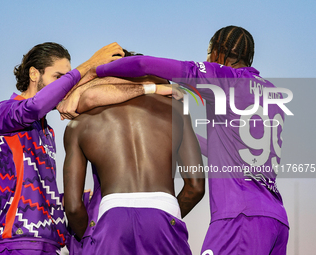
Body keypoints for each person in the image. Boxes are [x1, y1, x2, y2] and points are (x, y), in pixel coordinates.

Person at [90, 25, 289, 255]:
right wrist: (182, 139)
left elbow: (143, 64)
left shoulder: (223, 78)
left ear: (218, 52)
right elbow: (229, 149)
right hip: (276, 219)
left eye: (208, 52)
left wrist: (97, 69)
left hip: (240, 217)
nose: (207, 58)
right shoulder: (272, 93)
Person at [0, 41, 165, 254]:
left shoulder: (46, 130)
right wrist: (89, 65)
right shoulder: (2, 113)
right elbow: (33, 107)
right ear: (34, 74)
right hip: (19, 241)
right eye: (58, 77)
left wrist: (74, 199)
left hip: (49, 245)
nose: (65, 87)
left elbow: (36, 188)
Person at [63, 93, 205, 254]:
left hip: (112, 215)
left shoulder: (80, 123)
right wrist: (163, 215)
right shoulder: (176, 109)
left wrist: (91, 238)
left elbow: (73, 208)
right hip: (163, 209)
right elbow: (196, 187)